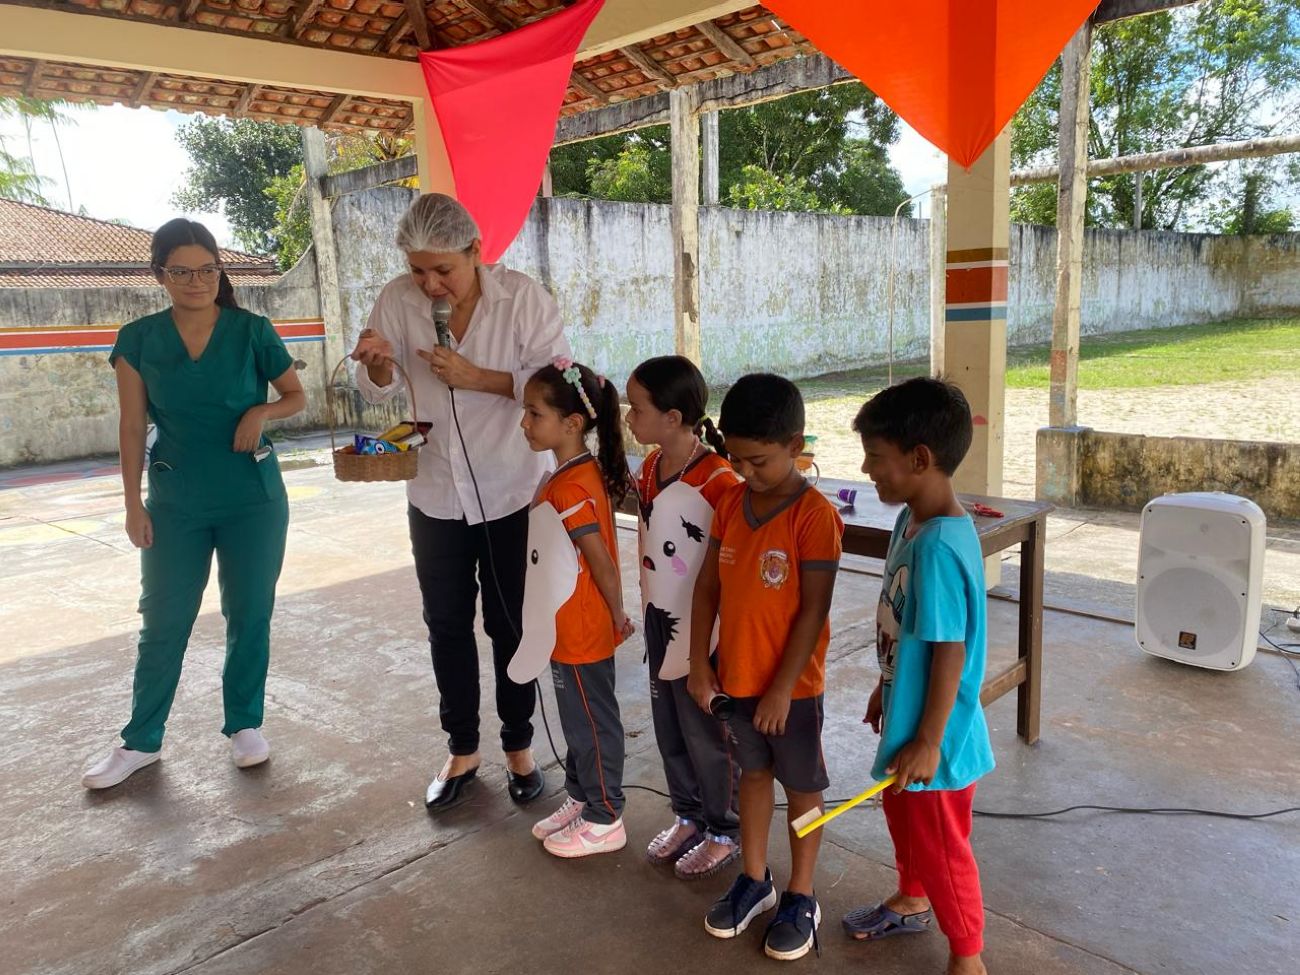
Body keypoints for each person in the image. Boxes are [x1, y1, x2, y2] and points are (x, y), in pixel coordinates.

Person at [351, 193, 569, 810]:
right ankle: (463, 749)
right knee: (445, 622)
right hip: (435, 491)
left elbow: (558, 384)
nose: (430, 284)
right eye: (418, 270)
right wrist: (379, 367)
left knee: (510, 623)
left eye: (443, 269)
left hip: (511, 490)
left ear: (476, 251)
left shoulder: (523, 300)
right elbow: (375, 391)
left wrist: (479, 378)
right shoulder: (397, 300)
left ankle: (520, 746)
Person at [82, 218, 306, 790]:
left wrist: (261, 412)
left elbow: (294, 395)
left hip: (252, 498)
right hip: (175, 500)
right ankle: (141, 741)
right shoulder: (138, 339)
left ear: (219, 271)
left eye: (207, 269)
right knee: (163, 620)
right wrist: (132, 503)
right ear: (159, 275)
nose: (196, 281)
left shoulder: (252, 330)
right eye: (180, 271)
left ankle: (244, 724)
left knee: (249, 612)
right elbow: (132, 426)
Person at [842, 377, 995, 975]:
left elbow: (949, 652)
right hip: (910, 720)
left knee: (941, 848)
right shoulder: (912, 520)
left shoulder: (936, 547)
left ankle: (968, 957)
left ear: (920, 458)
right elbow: (908, 630)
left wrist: (929, 739)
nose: (866, 469)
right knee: (903, 818)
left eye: (875, 457)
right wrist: (886, 687)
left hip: (939, 739)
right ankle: (911, 897)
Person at [688, 373, 843, 962]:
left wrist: (782, 689)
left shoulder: (814, 515)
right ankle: (754, 879)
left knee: (801, 789)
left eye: (759, 461)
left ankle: (801, 894)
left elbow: (814, 609)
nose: (746, 472)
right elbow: (707, 588)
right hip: (736, 680)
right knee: (752, 777)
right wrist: (699, 664)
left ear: (795, 445)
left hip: (792, 690)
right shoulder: (730, 503)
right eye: (737, 459)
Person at [626, 356, 743, 880]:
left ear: (672, 418)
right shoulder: (650, 468)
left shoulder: (719, 480)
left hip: (705, 633)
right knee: (669, 725)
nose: (629, 416)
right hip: (661, 619)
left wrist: (713, 647)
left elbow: (728, 568)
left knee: (707, 733)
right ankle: (689, 815)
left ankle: (724, 829)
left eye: (637, 408)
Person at [519, 358, 634, 858]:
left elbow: (601, 561)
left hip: (582, 626)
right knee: (576, 721)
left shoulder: (570, 485)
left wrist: (616, 615)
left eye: (534, 413)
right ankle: (583, 796)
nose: (524, 423)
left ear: (572, 423)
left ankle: (606, 817)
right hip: (563, 624)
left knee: (592, 722)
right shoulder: (567, 474)